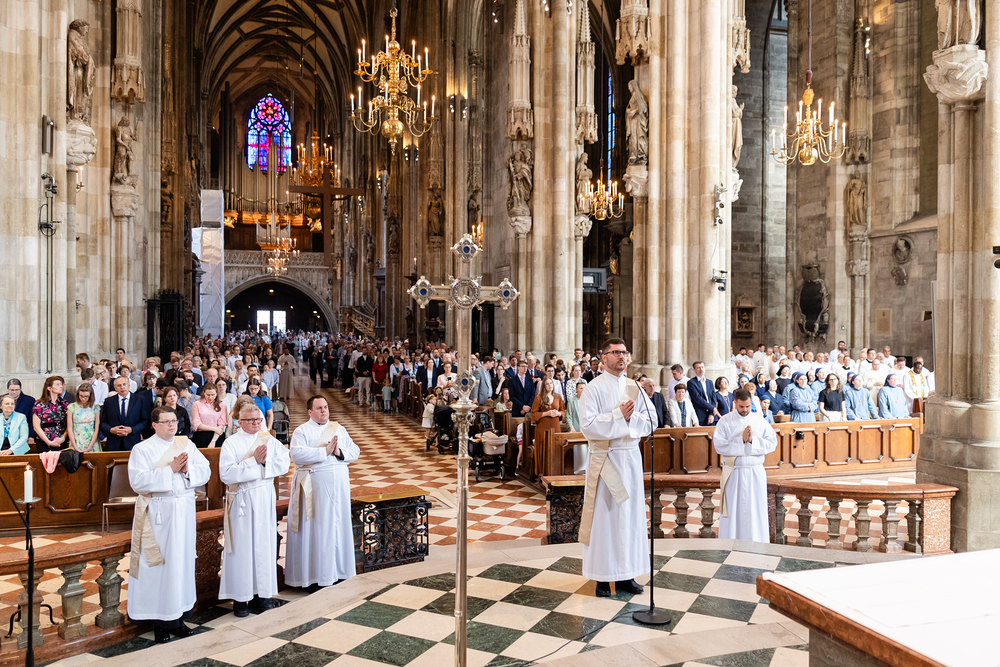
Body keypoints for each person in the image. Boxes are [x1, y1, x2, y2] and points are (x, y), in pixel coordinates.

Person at [578, 338, 656, 598]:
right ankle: (602, 577)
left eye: (624, 352)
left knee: (629, 519)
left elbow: (652, 421)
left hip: (630, 459)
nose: (621, 356)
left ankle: (626, 574)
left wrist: (630, 419)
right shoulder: (593, 388)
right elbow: (587, 426)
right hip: (605, 460)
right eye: (615, 352)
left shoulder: (635, 387)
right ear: (603, 358)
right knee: (605, 519)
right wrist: (618, 416)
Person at [127, 406, 211, 643]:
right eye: (166, 422)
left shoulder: (186, 445)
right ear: (154, 425)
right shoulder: (142, 449)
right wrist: (170, 470)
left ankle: (178, 617)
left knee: (181, 563)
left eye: (174, 421)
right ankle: (159, 622)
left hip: (183, 511)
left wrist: (187, 470)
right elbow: (137, 482)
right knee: (158, 565)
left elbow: (205, 470)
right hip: (157, 513)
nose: (172, 425)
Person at [218, 404, 290, 616]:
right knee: (242, 548)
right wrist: (253, 462)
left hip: (264, 497)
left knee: (264, 546)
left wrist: (265, 463)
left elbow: (284, 463)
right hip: (242, 499)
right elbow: (226, 475)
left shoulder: (268, 440)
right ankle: (241, 599)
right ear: (240, 422)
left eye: (258, 419)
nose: (256, 423)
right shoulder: (231, 443)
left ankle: (263, 596)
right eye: (250, 420)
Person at [286, 396, 361, 588]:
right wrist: (324, 452)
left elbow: (355, 450)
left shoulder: (338, 428)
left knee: (338, 527)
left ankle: (339, 572)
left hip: (339, 489)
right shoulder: (301, 431)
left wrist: (338, 452)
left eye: (326, 407)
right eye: (319, 408)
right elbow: (296, 455)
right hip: (313, 490)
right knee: (317, 529)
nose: (324, 411)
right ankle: (314, 577)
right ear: (310, 412)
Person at [713, 389, 778, 542]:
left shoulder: (759, 421)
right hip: (734, 472)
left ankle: (756, 543)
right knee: (733, 510)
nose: (745, 410)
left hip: (755, 472)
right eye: (741, 406)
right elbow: (719, 445)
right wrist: (740, 440)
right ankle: (730, 544)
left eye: (747, 406)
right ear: (735, 403)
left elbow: (772, 443)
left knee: (755, 510)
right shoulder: (725, 421)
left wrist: (752, 441)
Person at [100, 376, 149, 451]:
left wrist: (132, 429)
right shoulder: (108, 401)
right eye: (119, 385)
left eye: (124, 384)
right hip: (113, 442)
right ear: (115, 388)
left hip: (133, 441)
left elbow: (145, 421)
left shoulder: (140, 400)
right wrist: (111, 430)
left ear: (129, 385)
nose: (122, 387)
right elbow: (103, 422)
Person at [531, 378, 566, 471]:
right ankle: (542, 471)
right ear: (544, 386)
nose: (550, 385)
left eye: (551, 383)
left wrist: (558, 413)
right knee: (543, 448)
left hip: (555, 425)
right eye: (547, 384)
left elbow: (563, 410)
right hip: (543, 426)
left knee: (555, 447)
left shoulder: (558, 397)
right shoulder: (538, 397)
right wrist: (546, 413)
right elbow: (533, 413)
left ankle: (555, 470)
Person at [32, 376, 69, 452]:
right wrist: (48, 442)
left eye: (61, 384)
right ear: (49, 388)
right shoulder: (39, 404)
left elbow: (69, 424)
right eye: (57, 384)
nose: (61, 386)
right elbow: (36, 426)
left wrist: (63, 438)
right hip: (44, 441)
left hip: (60, 439)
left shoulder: (64, 403)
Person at [68, 383, 101, 453]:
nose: (83, 399)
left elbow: (96, 429)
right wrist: (75, 446)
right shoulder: (72, 407)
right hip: (76, 439)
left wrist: (90, 446)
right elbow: (70, 428)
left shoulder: (95, 407)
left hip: (91, 440)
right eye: (81, 396)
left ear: (90, 396)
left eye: (86, 396)